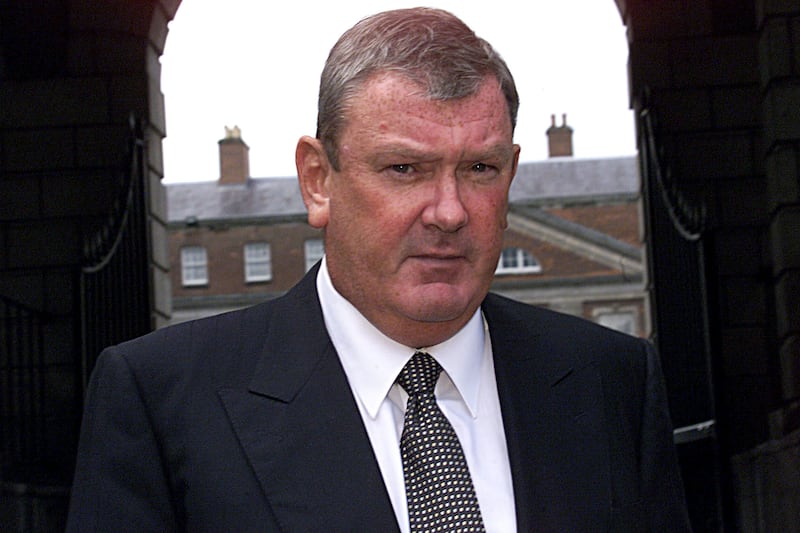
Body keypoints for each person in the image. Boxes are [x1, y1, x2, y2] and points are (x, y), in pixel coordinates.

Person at [67, 7, 690, 532]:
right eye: (404, 169)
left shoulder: (614, 382)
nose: (449, 213)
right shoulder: (160, 399)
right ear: (318, 180)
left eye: (479, 169)